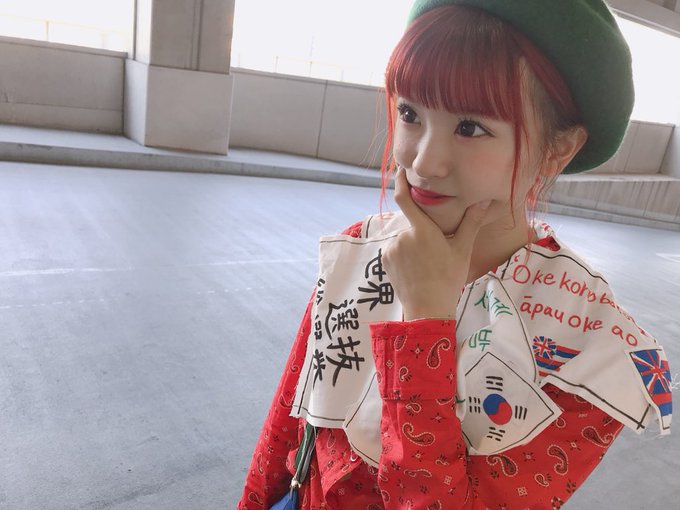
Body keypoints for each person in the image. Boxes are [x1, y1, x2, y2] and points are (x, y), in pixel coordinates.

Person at [237, 1, 673, 508]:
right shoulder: (362, 248)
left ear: (558, 150)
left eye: (470, 127)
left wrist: (425, 323)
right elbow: (288, 424)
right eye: (410, 113)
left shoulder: (589, 345)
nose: (424, 161)